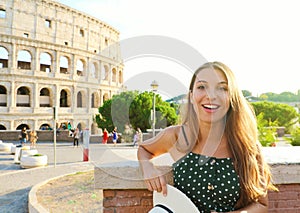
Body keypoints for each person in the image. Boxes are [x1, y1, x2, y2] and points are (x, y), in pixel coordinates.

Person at [138, 61, 277, 212]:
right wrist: (147, 167)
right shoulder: (177, 136)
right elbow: (144, 149)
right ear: (191, 96)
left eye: (222, 88)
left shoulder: (247, 145)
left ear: (232, 97)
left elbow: (262, 204)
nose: (210, 96)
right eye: (202, 87)